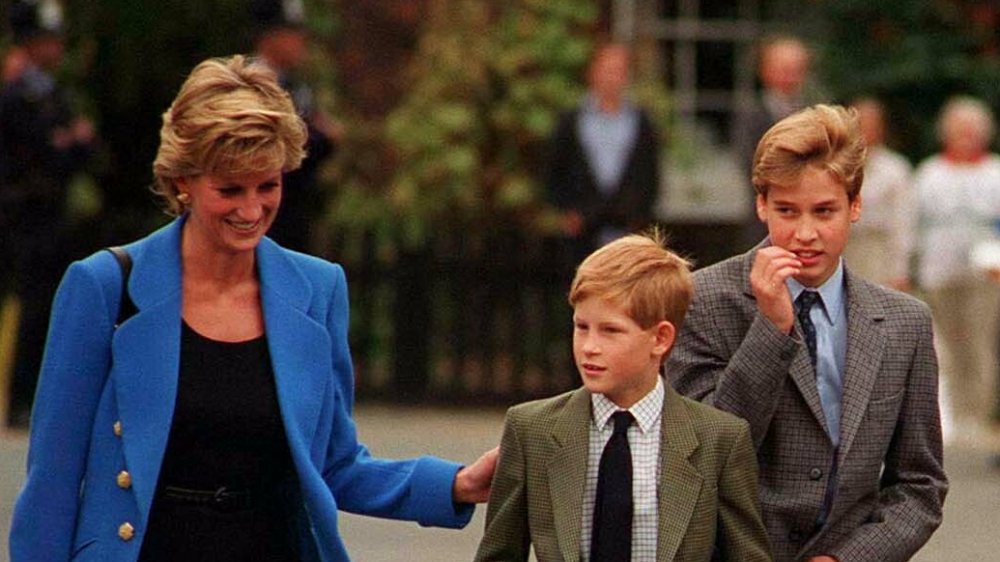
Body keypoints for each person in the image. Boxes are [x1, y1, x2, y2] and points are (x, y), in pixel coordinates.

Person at [9, 55, 496, 562]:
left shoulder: (318, 289)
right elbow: (53, 482)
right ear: (183, 182)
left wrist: (457, 484)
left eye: (268, 186)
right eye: (230, 190)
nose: (251, 210)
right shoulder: (105, 287)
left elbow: (333, 465)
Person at [668, 105, 947, 562]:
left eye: (824, 212)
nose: (805, 233)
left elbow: (920, 485)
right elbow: (700, 458)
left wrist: (847, 559)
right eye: (786, 211)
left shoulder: (904, 322)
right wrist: (772, 328)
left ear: (855, 206)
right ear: (761, 205)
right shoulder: (703, 300)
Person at [475, 233, 772, 561]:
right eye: (581, 326)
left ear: (660, 338)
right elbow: (498, 552)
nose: (589, 346)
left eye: (610, 330)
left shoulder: (720, 439)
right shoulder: (532, 429)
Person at [0, 0, 96, 427]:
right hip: (21, 210)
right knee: (28, 304)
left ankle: (32, 398)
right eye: (47, 39)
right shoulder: (18, 90)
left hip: (48, 211)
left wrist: (70, 144)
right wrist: (67, 143)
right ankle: (17, 398)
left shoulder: (49, 90)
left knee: (46, 303)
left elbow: (83, 149)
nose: (56, 47)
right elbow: (43, 150)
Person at [913, 96, 1000, 443]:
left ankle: (978, 414)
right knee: (945, 344)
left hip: (986, 274)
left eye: (972, 131)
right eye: (958, 130)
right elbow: (915, 223)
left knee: (980, 344)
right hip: (939, 271)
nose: (966, 137)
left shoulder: (995, 171)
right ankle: (951, 414)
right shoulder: (930, 172)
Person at [546, 41, 660, 268]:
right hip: (582, 228)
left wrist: (639, 216)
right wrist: (567, 212)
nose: (612, 78)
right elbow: (554, 168)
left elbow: (650, 174)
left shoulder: (641, 121)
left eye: (619, 71)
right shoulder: (571, 120)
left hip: (626, 227)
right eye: (607, 70)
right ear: (592, 72)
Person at [250, 0, 342, 254]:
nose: (301, 42)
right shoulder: (253, 84)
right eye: (292, 34)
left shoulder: (297, 85)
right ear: (270, 36)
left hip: (295, 207)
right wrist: (321, 136)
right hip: (262, 215)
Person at [735, 35, 814, 249]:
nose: (790, 76)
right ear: (765, 71)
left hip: (810, 222)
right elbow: (749, 165)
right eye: (783, 69)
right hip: (764, 223)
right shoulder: (751, 115)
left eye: (795, 69)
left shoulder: (815, 114)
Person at [842, 97, 914, 291]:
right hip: (845, 249)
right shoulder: (836, 166)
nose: (865, 129)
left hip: (879, 251)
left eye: (871, 124)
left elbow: (902, 223)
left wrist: (900, 270)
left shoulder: (896, 169)